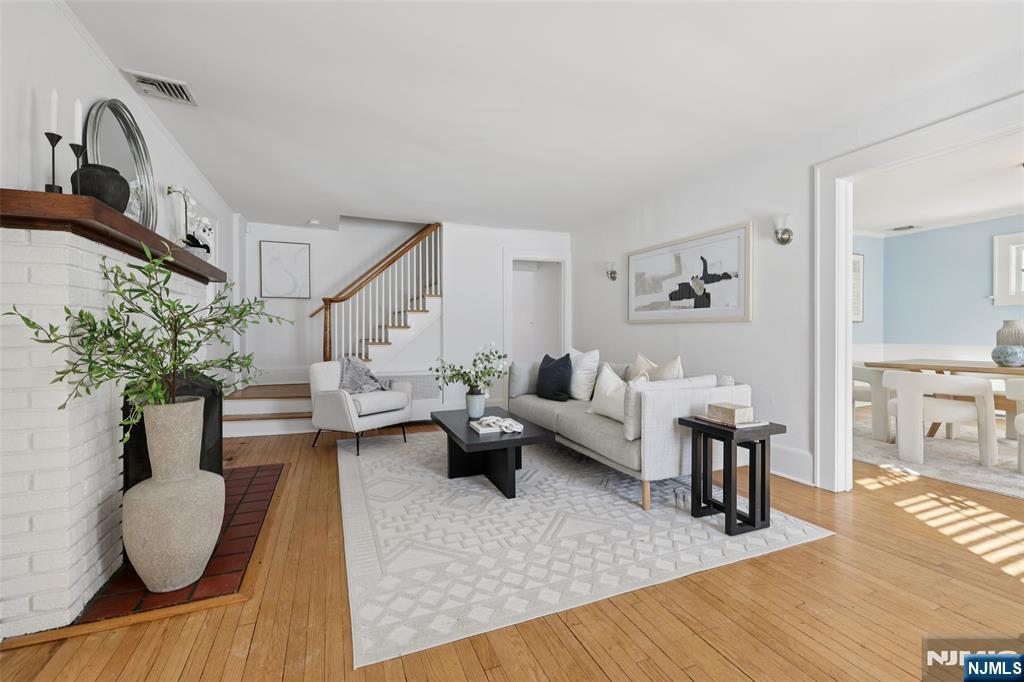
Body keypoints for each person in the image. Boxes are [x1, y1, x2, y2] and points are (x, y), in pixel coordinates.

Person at [667, 256, 736, 308]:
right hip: (697, 291)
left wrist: (704, 261)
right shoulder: (705, 279)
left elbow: (705, 273)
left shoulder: (706, 280)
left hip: (699, 293)